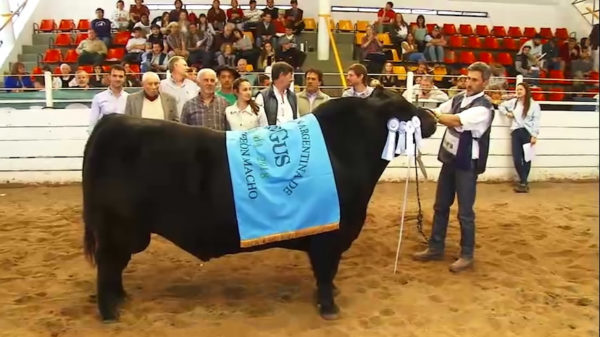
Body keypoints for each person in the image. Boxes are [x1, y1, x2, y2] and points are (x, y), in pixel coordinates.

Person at [413, 62, 494, 273]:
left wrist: (432, 116)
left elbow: (454, 119)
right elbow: (441, 109)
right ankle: (435, 246)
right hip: (450, 158)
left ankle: (467, 254)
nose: (469, 83)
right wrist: (425, 113)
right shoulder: (458, 98)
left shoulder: (484, 108)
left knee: (465, 211)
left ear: (485, 82)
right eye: (468, 78)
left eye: (474, 80)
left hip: (467, 163)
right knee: (440, 205)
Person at [499, 82, 541, 193]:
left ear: (526, 91)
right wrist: (507, 113)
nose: (518, 92)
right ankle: (524, 181)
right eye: (517, 90)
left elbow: (536, 121)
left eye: (520, 89)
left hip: (528, 132)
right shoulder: (513, 103)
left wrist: (534, 135)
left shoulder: (534, 105)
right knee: (517, 158)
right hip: (516, 132)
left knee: (527, 158)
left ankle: (523, 182)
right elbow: (501, 105)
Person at [89, 65, 129, 131]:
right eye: (114, 76)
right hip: (104, 137)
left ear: (124, 78)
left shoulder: (129, 98)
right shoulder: (98, 97)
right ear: (109, 77)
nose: (117, 79)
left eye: (120, 76)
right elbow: (93, 123)